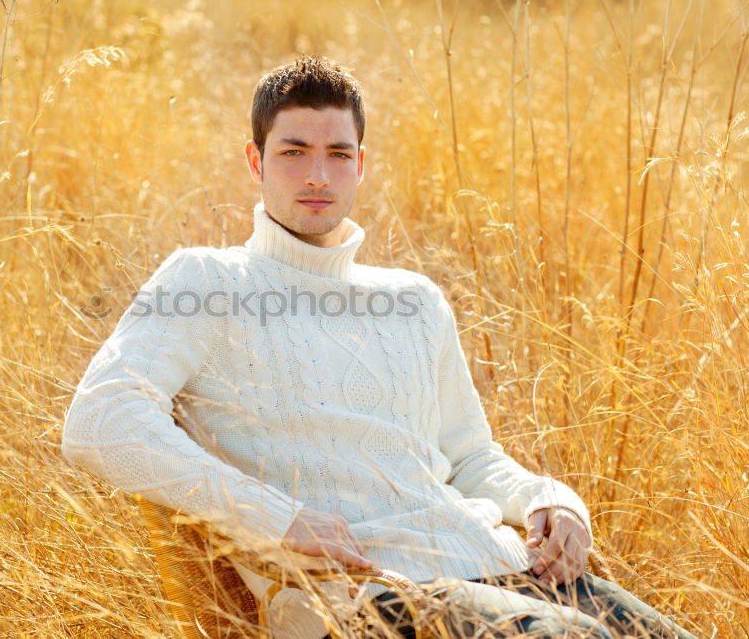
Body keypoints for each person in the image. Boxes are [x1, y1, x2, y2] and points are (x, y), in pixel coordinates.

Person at [61, 56, 696, 638]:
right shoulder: (207, 281)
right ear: (255, 162)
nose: (317, 174)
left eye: (339, 153)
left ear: (361, 164)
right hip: (358, 591)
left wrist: (548, 498)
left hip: (502, 561)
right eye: (293, 151)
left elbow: (471, 456)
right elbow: (100, 423)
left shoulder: (414, 299)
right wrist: (278, 517)